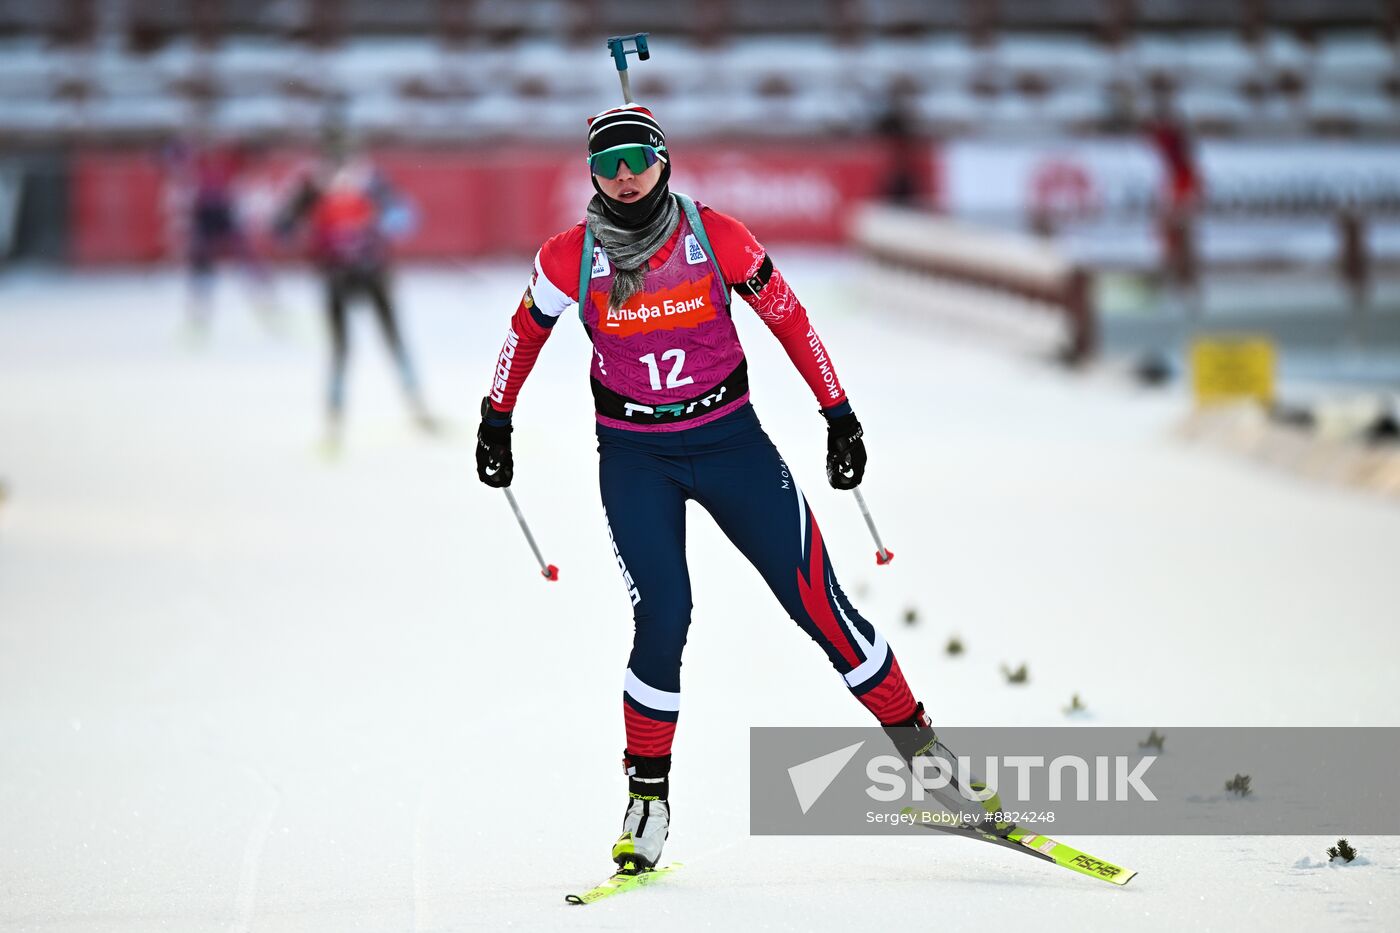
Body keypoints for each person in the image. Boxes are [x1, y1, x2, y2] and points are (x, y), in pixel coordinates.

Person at [474, 104, 956, 874]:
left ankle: (927, 758)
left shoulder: (717, 236)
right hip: (636, 457)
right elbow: (523, 333)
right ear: (591, 173)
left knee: (821, 606)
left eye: (636, 158)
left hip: (730, 443)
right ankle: (647, 800)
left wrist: (839, 415)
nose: (623, 176)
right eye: (607, 163)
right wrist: (495, 418)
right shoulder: (571, 255)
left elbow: (792, 321)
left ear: (663, 160)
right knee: (663, 617)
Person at [277, 146, 437, 451]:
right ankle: (409, 409)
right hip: (357, 272)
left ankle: (340, 421)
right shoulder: (345, 181)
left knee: (361, 346)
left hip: (353, 273)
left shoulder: (326, 182)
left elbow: (403, 218)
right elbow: (404, 219)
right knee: (368, 345)